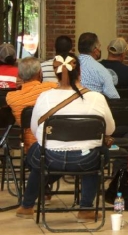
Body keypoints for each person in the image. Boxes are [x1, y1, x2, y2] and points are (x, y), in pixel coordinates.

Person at [15, 53, 116, 222]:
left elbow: (35, 129)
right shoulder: (96, 98)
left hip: (49, 158)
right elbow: (110, 129)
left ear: (55, 73)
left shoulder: (45, 97)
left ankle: (26, 205)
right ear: (80, 72)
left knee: (36, 152)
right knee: (99, 152)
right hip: (86, 160)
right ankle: (85, 209)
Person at [6, 58, 58, 151]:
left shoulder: (11, 98)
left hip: (31, 148)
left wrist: (20, 87)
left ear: (19, 75)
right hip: (54, 142)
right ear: (40, 72)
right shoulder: (52, 87)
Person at [77, 32, 120, 99]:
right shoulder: (102, 71)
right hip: (94, 107)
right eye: (99, 46)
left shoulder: (69, 66)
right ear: (95, 50)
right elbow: (114, 99)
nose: (100, 50)